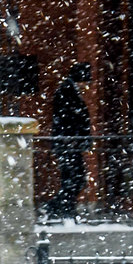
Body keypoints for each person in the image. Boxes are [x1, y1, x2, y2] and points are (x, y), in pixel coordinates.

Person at [48, 61, 93, 221]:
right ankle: (61, 207)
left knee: (74, 178)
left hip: (70, 143)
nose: (86, 86)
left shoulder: (67, 91)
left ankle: (60, 207)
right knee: (74, 178)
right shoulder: (66, 92)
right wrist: (73, 138)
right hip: (68, 144)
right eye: (85, 82)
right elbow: (66, 118)